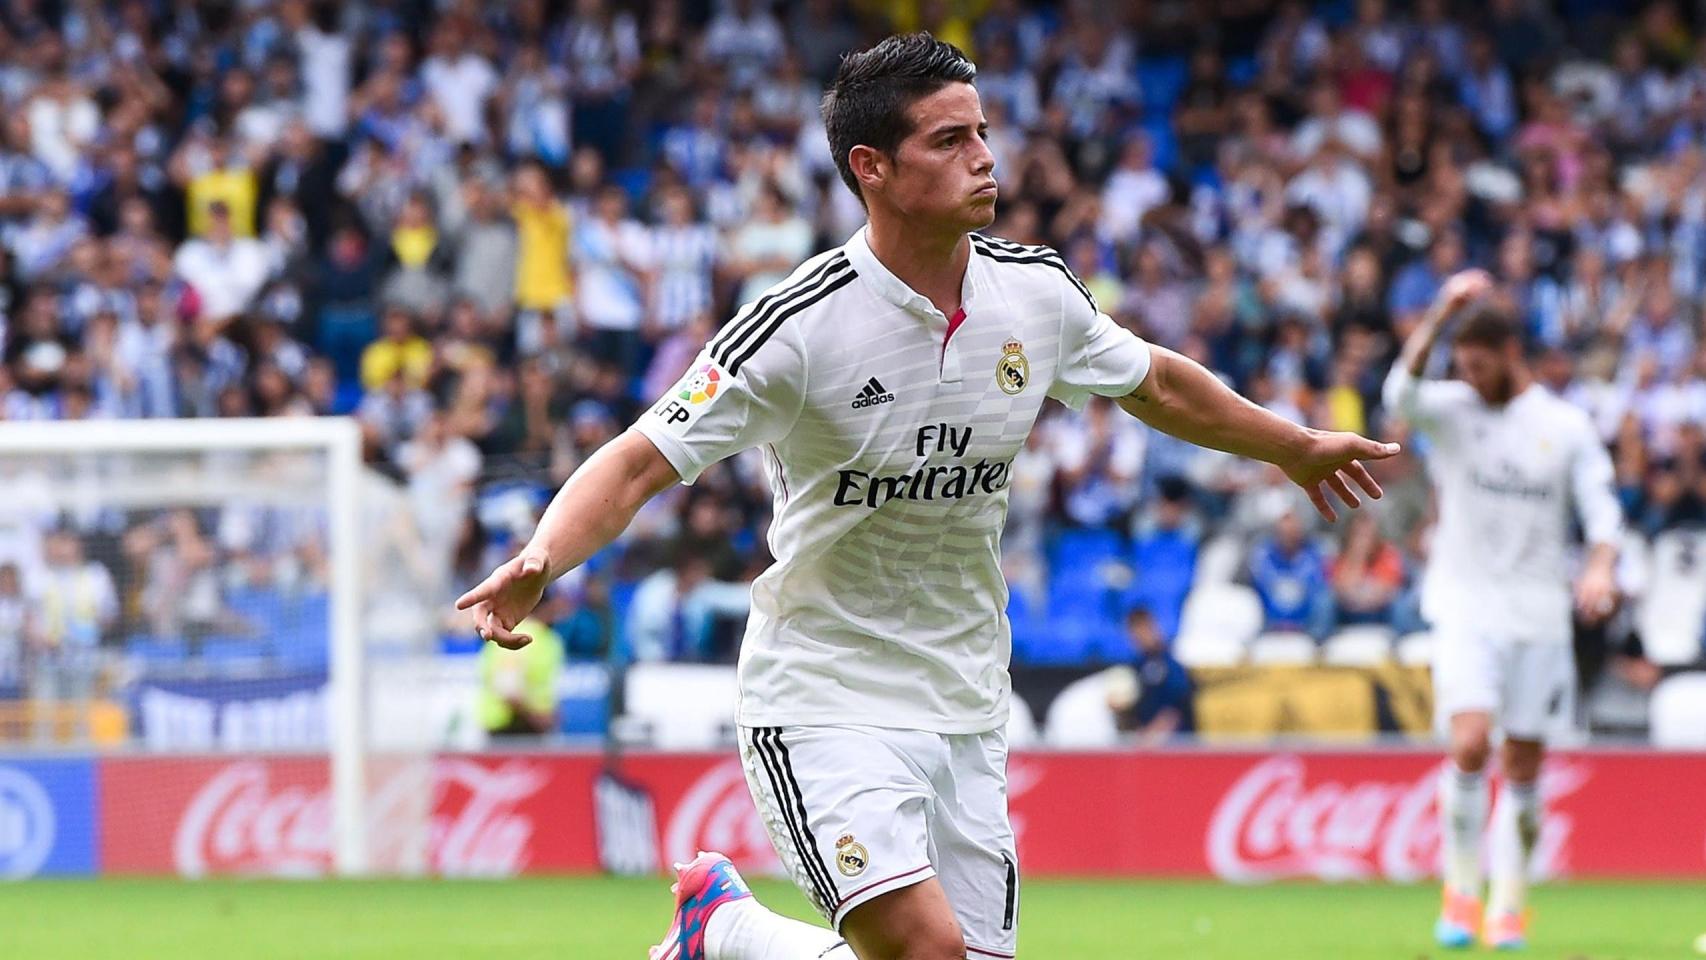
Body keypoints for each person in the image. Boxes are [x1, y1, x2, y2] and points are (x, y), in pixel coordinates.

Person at [459, 34, 1397, 960]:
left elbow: (1155, 384)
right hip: (823, 689)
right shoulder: (796, 326)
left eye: (982, 132)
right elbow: (638, 460)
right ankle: (731, 929)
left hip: (963, 692)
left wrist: (1296, 445)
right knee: (924, 953)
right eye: (949, 141)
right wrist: (544, 555)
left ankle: (729, 932)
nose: (985, 158)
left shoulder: (1036, 295)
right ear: (871, 167)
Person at [1382, 269, 1622, 951]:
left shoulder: (1564, 426)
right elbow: (1398, 392)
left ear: (1510, 356)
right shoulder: (1453, 409)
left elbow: (1602, 508)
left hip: (1539, 614)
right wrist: (1442, 310)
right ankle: (1462, 890)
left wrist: (1601, 564)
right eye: (1462, 365)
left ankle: (1509, 903)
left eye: (1480, 366)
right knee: (1468, 742)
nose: (1471, 378)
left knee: (1522, 766)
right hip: (1463, 605)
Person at [1105, 607, 1195, 743]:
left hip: (1176, 744)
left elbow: (1175, 710)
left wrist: (1151, 735)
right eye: (1135, 630)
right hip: (1147, 745)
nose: (1141, 634)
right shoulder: (1135, 667)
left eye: (1144, 628)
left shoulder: (1170, 665)